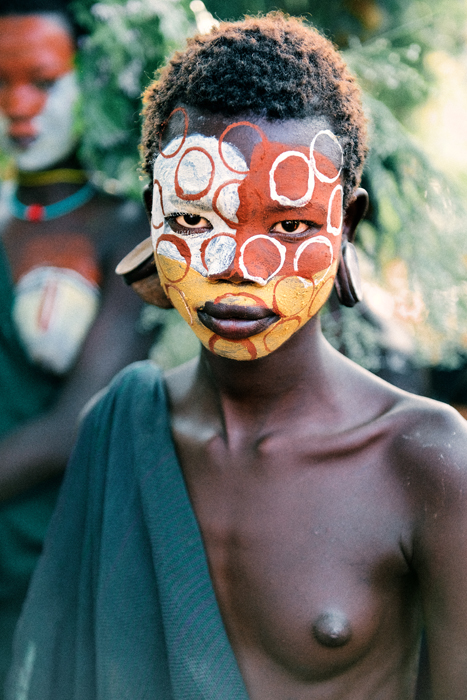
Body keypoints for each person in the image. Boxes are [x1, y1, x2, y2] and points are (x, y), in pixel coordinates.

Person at [8, 14, 467, 700]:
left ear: (346, 224)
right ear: (154, 216)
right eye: (194, 220)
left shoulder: (424, 460)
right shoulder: (120, 430)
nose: (238, 265)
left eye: (291, 225)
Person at [0, 1, 152, 692]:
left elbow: (78, 423)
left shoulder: (125, 229)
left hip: (50, 563)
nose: (18, 107)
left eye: (42, 81)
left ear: (93, 79)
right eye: (0, 83)